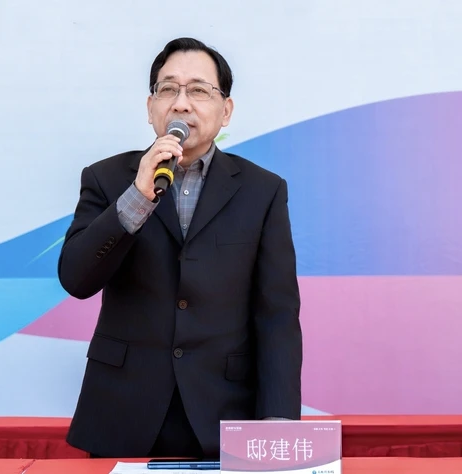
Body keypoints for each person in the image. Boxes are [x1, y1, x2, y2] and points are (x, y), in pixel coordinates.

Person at [58, 37, 302, 459]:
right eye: (168, 89)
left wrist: (277, 420)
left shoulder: (263, 190)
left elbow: (276, 315)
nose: (181, 103)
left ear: (226, 110)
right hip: (123, 410)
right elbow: (76, 279)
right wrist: (136, 197)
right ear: (150, 106)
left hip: (225, 410)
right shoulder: (106, 179)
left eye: (199, 91)